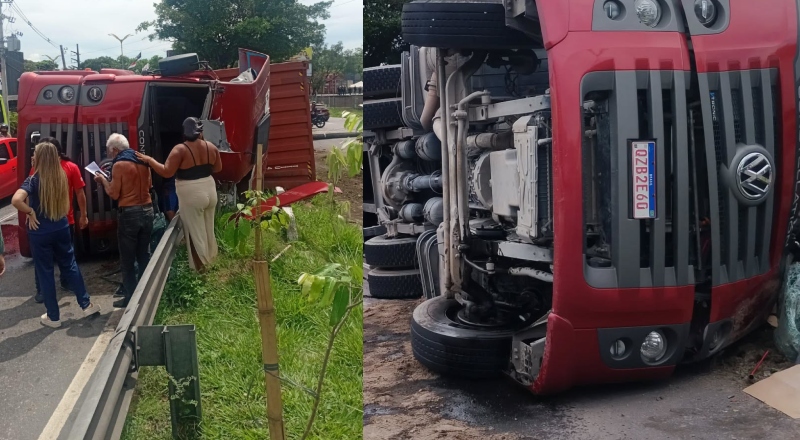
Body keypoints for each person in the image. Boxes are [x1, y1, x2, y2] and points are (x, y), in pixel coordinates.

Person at [11, 142, 100, 327]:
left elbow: (16, 200)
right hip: (61, 226)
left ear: (41, 157)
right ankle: (87, 304)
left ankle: (53, 317)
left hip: (40, 232)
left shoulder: (33, 179)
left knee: (45, 272)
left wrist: (30, 212)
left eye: (35, 154)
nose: (32, 157)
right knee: (70, 265)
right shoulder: (61, 175)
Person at [136, 117, 221, 272]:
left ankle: (201, 272)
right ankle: (213, 262)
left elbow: (166, 172)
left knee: (196, 234)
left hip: (192, 193)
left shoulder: (180, 149)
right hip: (209, 189)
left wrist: (149, 160)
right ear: (200, 132)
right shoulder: (211, 147)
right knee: (209, 229)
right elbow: (217, 169)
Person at [94, 134, 154, 308]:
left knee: (127, 259)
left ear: (114, 150)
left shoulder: (119, 164)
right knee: (144, 255)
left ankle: (130, 298)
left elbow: (113, 193)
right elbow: (149, 185)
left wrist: (103, 180)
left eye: (110, 152)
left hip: (129, 213)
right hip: (147, 209)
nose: (111, 155)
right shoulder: (143, 161)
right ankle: (147, 294)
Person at [30, 137, 88, 302]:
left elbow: (79, 193)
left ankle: (62, 284)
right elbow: (29, 193)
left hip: (61, 221)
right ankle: (43, 290)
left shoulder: (70, 167)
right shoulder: (39, 169)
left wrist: (83, 214)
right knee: (56, 260)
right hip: (52, 221)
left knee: (61, 259)